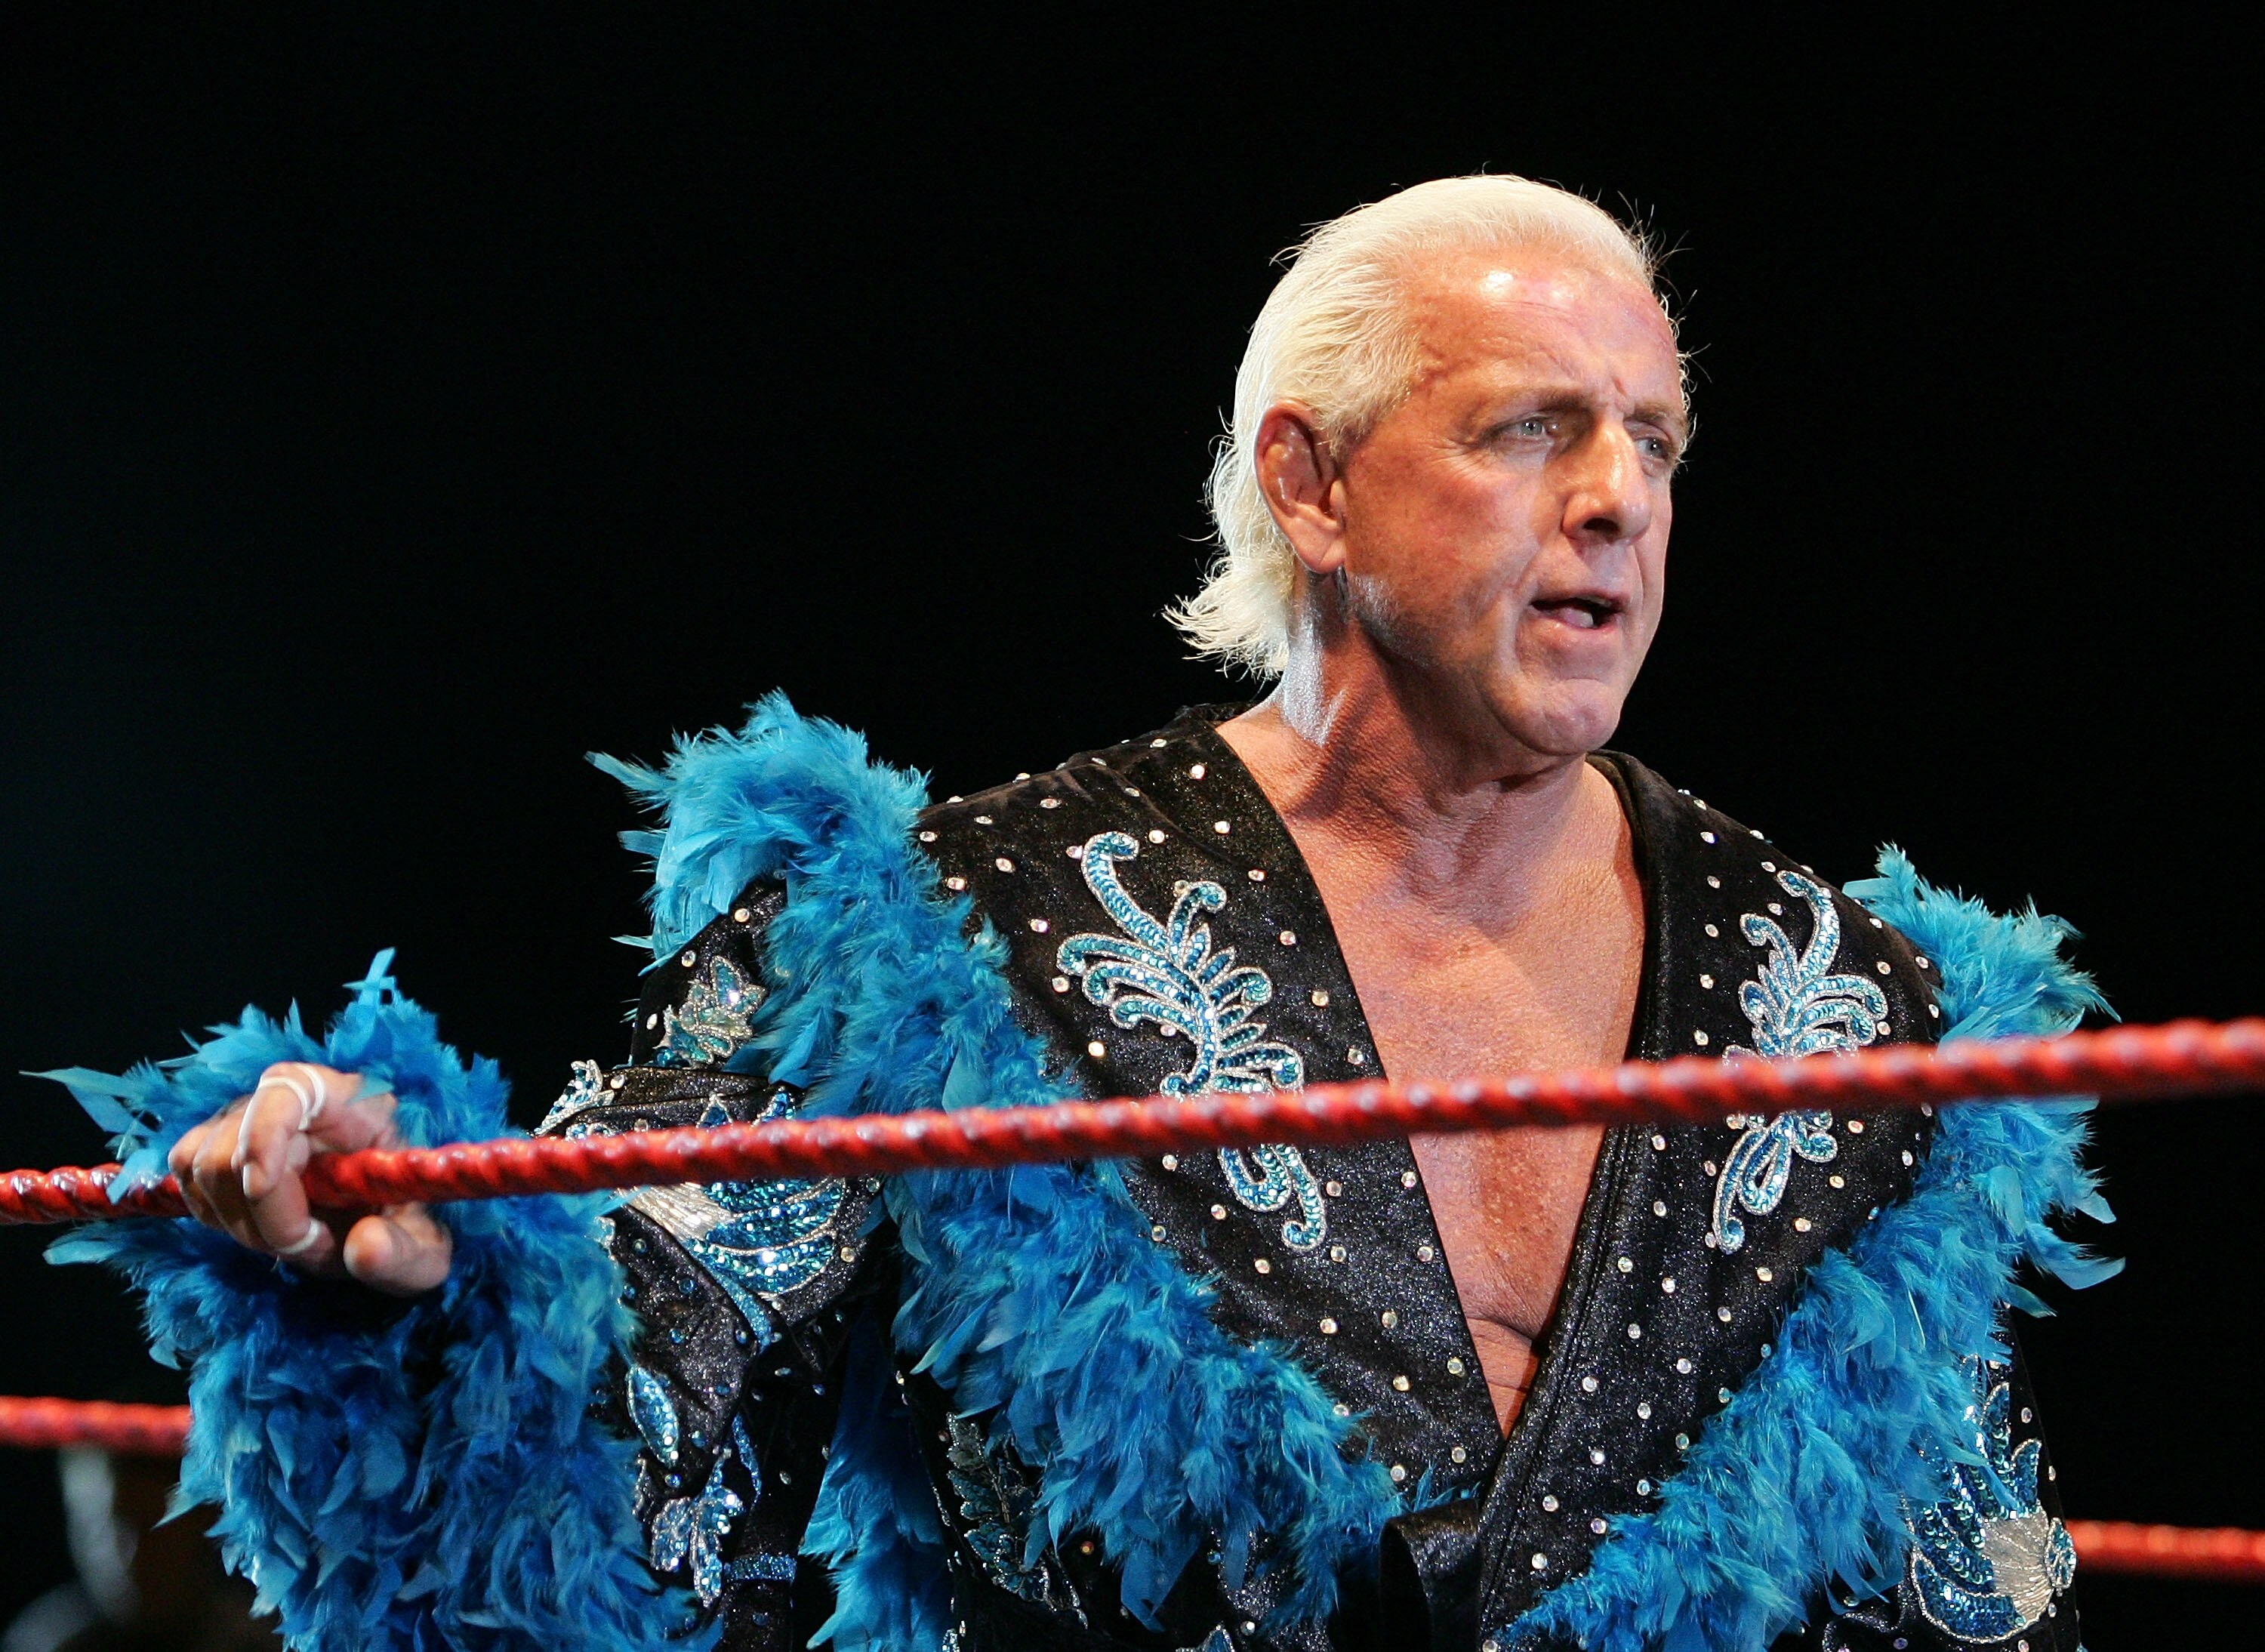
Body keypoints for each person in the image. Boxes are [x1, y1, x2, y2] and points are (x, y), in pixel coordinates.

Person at [55, 177, 2115, 1652]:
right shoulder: (940, 946)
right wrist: (406, 1281)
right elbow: (625, 1434)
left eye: (1653, 439)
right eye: (1530, 428)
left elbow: (1972, 1590)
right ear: (1310, 483)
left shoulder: (1850, 1007)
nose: (1620, 497)